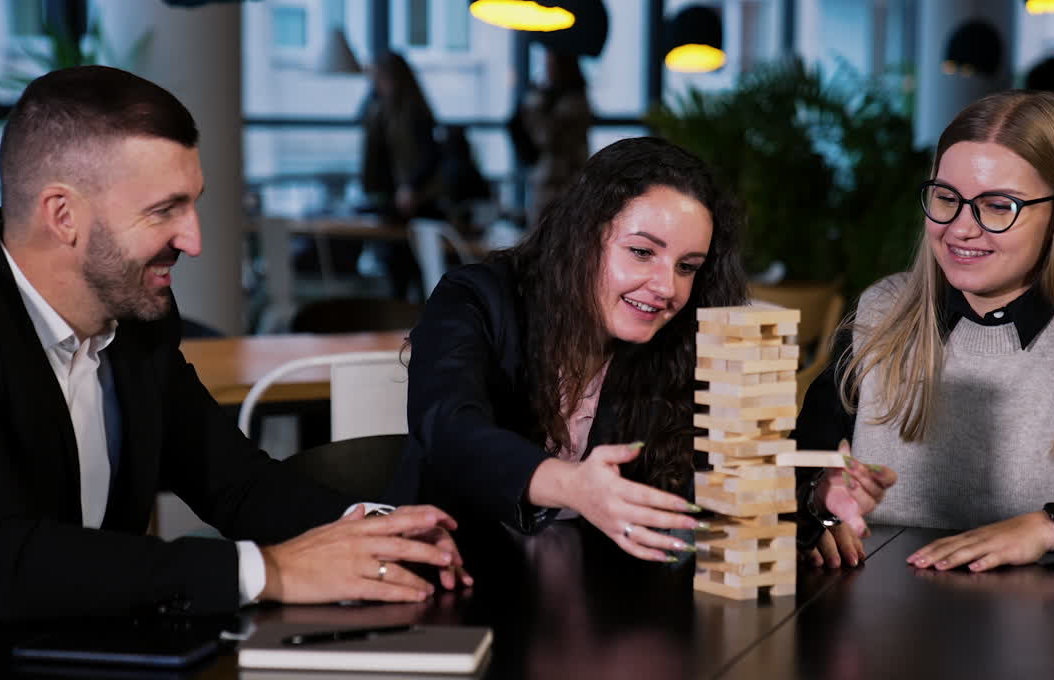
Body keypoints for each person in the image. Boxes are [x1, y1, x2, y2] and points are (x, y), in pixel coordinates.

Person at [0, 66, 470, 666]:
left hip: (104, 656)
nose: (193, 239)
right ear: (63, 215)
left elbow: (234, 482)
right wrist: (267, 571)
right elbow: (1, 563)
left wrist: (372, 528)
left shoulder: (136, 314)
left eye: (193, 205)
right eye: (165, 210)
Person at [398, 136, 883, 561]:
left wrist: (814, 501)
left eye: (687, 267)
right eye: (642, 252)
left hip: (598, 611)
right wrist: (574, 486)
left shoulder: (675, 341)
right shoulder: (478, 298)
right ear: (583, 236)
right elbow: (449, 427)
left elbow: (715, 491)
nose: (666, 287)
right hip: (453, 578)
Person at [795, 89, 1054, 573]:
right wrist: (817, 502)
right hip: (879, 637)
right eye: (947, 199)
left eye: (997, 206)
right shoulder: (878, 314)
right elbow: (793, 472)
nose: (961, 229)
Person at [360, 52, 441, 298]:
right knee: (396, 271)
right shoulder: (381, 111)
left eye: (380, 78)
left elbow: (430, 156)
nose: (377, 84)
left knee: (415, 271)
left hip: (416, 201)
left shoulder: (414, 112)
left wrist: (411, 188)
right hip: (391, 200)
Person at [510, 49, 593, 228]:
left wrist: (536, 106)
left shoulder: (573, 103)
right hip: (551, 178)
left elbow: (547, 136)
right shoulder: (559, 98)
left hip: (562, 180)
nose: (548, 68)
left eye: (551, 63)